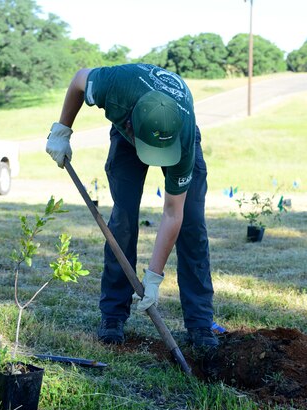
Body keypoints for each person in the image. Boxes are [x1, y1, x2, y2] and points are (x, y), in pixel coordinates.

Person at [46, 63, 218, 348]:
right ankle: (113, 315)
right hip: (128, 135)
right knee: (123, 220)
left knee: (192, 225)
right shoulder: (114, 87)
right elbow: (78, 79)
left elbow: (173, 212)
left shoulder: (182, 140)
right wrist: (62, 130)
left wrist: (153, 277)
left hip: (174, 133)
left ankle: (200, 324)